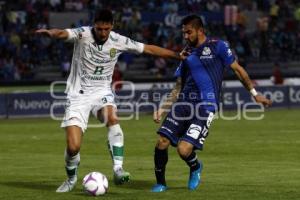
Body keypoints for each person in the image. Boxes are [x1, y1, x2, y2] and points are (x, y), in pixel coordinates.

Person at [36, 9, 184, 193]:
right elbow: (63, 33)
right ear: (94, 25)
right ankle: (71, 178)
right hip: (78, 95)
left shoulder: (118, 40)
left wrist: (177, 56)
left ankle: (118, 168)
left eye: (106, 29)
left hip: (102, 92)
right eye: (99, 29)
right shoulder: (82, 34)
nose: (103, 33)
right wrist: (52, 33)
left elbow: (149, 49)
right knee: (73, 147)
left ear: (112, 26)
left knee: (112, 119)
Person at [151, 14, 272, 192]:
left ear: (200, 31)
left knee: (184, 150)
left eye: (188, 32)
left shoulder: (218, 46)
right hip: (183, 104)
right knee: (162, 141)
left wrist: (255, 94)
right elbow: (178, 86)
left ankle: (195, 167)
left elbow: (238, 70)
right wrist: (162, 108)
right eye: (183, 33)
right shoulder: (186, 54)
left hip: (205, 107)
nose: (185, 36)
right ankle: (161, 183)